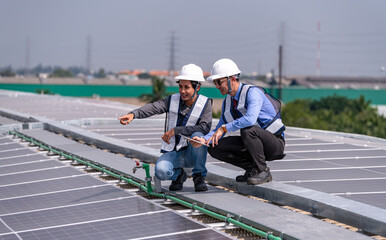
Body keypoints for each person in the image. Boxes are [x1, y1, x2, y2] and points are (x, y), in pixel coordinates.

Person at [118, 64, 212, 192]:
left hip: (192, 153)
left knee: (199, 136)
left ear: (198, 87)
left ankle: (199, 176)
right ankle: (179, 175)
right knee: (161, 171)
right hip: (174, 152)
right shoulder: (172, 100)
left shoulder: (205, 104)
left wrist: (176, 130)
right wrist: (133, 114)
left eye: (187, 87)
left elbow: (205, 127)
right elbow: (154, 107)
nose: (182, 91)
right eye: (180, 86)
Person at [191, 58, 285, 185]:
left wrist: (225, 128)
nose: (217, 87)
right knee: (214, 146)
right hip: (254, 143)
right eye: (215, 83)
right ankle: (252, 169)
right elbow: (220, 127)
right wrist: (204, 139)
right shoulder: (228, 101)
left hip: (274, 144)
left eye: (219, 82)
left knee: (248, 129)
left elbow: (250, 119)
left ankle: (262, 171)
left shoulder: (253, 93)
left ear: (232, 79)